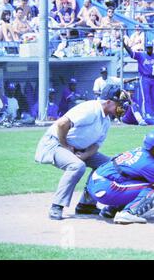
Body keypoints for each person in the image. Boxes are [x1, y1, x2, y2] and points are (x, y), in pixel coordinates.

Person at [34, 85, 131, 220]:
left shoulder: (106, 120)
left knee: (108, 166)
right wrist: (66, 146)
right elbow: (62, 124)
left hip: (78, 148)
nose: (122, 108)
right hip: (54, 144)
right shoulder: (90, 109)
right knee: (77, 166)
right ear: (108, 102)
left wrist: (85, 155)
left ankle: (86, 205)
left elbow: (96, 145)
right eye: (119, 104)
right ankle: (57, 206)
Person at [123, 40, 154, 119]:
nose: (149, 49)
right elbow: (131, 53)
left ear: (152, 48)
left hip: (153, 78)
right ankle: (148, 114)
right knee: (146, 97)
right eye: (148, 48)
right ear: (145, 48)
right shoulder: (141, 55)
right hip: (144, 78)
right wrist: (125, 45)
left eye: (150, 48)